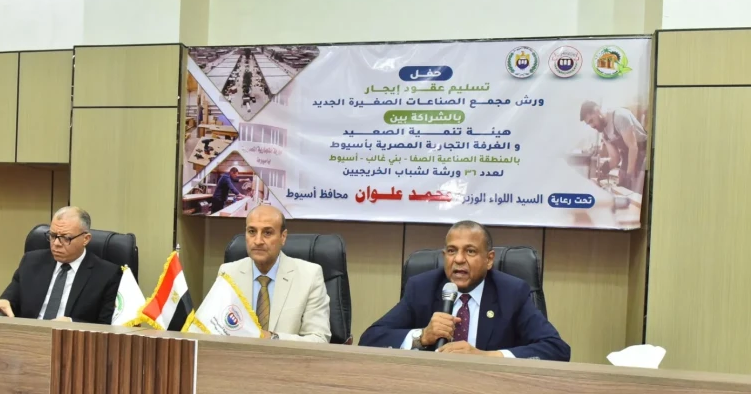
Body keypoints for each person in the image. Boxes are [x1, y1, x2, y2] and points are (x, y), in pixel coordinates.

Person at [359, 221, 570, 361]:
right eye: (452, 251)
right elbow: (370, 339)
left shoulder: (512, 293)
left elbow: (556, 349)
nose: (459, 259)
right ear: (444, 257)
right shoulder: (422, 287)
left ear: (489, 260)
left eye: (470, 251)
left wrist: (486, 357)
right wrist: (421, 336)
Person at [0, 206, 121, 324]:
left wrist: (72, 323)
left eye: (65, 238)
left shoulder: (107, 274)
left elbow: (106, 325)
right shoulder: (31, 261)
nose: (56, 244)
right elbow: (11, 301)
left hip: (74, 344)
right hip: (29, 339)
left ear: (86, 239)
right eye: (52, 236)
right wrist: (2, 303)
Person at [215, 205, 330, 342]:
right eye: (252, 231)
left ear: (283, 237)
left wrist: (272, 338)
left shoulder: (310, 275)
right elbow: (213, 329)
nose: (258, 241)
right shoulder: (228, 273)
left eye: (267, 233)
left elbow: (319, 339)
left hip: (285, 356)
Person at [579, 101, 647, 194]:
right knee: (622, 187)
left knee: (636, 191)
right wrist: (605, 168)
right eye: (589, 124)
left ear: (597, 111)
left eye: (591, 121)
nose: (592, 126)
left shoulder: (619, 117)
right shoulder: (604, 133)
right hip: (627, 156)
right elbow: (615, 158)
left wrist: (629, 175)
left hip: (643, 153)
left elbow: (633, 147)